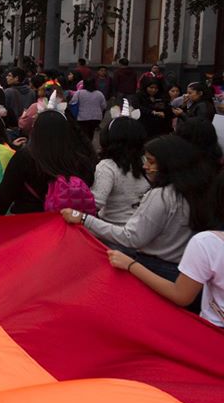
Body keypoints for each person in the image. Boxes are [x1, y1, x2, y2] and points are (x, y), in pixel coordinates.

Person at [62, 134, 216, 282]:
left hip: (154, 267)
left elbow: (131, 237)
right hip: (184, 269)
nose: (145, 166)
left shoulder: (162, 196)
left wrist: (84, 219)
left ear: (169, 164)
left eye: (151, 162)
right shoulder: (199, 190)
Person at [105, 173, 224, 327]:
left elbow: (181, 295)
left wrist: (130, 265)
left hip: (213, 335)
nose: (147, 166)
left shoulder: (208, 243)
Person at [0, 109, 96, 216]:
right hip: (69, 225)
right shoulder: (79, 159)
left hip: (31, 226)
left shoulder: (25, 157)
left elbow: (3, 197)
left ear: (35, 130)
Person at [92, 117, 151, 225]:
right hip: (144, 227)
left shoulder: (107, 167)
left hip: (112, 230)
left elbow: (95, 203)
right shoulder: (147, 162)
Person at [70, 75, 107, 142]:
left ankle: (86, 147)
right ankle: (90, 145)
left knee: (84, 134)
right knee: (91, 132)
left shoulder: (79, 93)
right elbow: (104, 106)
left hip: (82, 118)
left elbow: (73, 102)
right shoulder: (99, 94)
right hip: (96, 118)